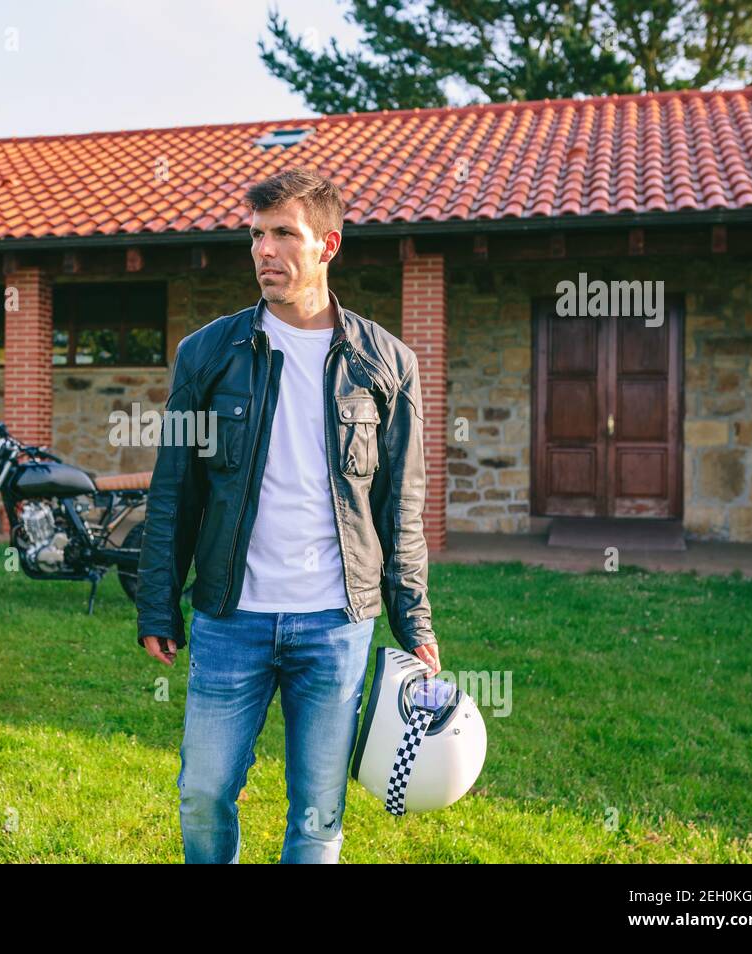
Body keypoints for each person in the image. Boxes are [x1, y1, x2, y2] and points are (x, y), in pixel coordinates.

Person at [134, 166, 441, 864]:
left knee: (318, 813)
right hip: (228, 619)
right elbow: (174, 490)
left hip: (336, 625)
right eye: (255, 236)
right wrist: (159, 604)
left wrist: (413, 620)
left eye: (283, 235)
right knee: (204, 792)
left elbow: (402, 507)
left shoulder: (387, 364)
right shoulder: (207, 354)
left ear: (327, 244)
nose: (264, 252)